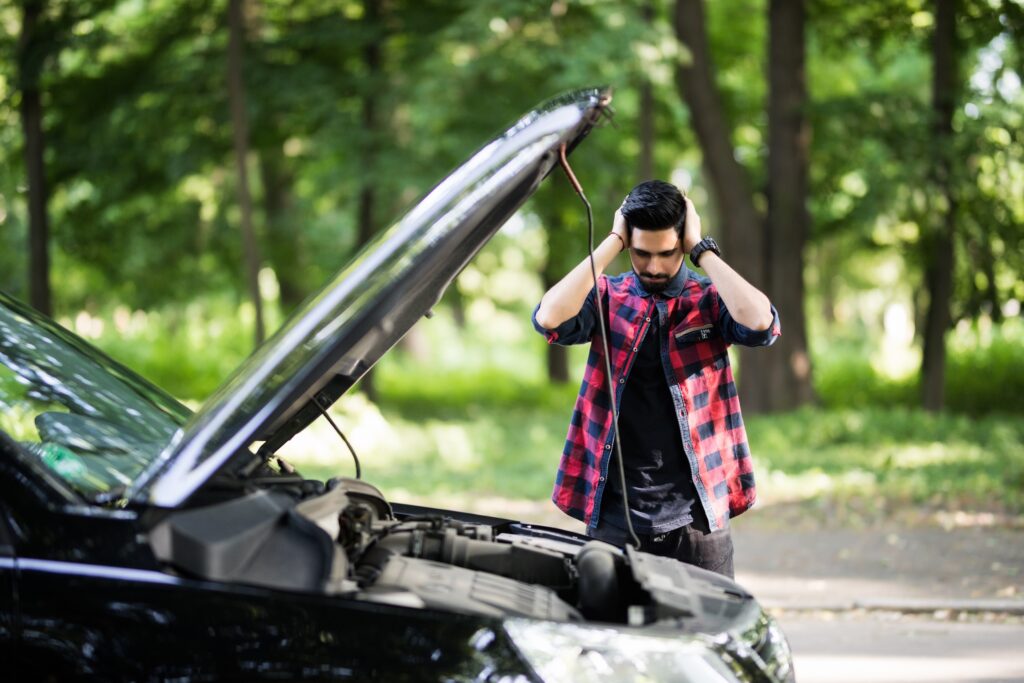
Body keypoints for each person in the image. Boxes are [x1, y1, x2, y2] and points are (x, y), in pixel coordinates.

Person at [532, 180, 780, 578]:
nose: (654, 267)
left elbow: (761, 324)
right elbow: (549, 318)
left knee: (707, 637)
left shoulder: (710, 299)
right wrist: (613, 239)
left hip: (698, 517)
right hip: (614, 516)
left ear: (681, 242)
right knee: (612, 639)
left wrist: (702, 249)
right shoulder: (607, 296)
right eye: (642, 253)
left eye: (667, 253)